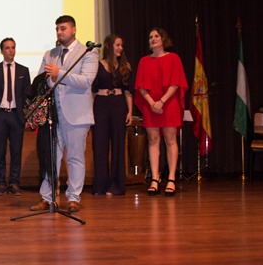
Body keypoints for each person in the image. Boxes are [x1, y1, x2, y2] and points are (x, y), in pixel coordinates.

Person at [30, 15, 98, 213]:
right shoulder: (50, 54)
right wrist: (49, 78)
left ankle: (73, 198)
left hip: (77, 114)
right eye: (57, 29)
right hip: (53, 115)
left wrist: (58, 73)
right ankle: (47, 197)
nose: (59, 32)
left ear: (74, 29)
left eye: (63, 28)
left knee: (75, 157)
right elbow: (42, 80)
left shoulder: (88, 52)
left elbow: (86, 81)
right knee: (50, 157)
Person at [133, 28, 188, 197]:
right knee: (153, 140)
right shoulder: (144, 61)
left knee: (170, 140)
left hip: (168, 104)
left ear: (163, 39)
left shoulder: (173, 58)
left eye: (156, 36)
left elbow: (176, 83)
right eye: (150, 37)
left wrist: (161, 102)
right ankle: (155, 178)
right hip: (151, 105)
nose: (153, 39)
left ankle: (171, 178)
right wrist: (152, 103)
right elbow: (141, 87)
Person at [0, 38, 31, 195]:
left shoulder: (23, 70)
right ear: (1, 51)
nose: (11, 50)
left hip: (17, 116)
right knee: (0, 151)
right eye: (7, 48)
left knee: (16, 152)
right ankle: (1, 183)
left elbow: (28, 96)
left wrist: (28, 116)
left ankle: (14, 183)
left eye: (13, 47)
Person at [91, 34, 134, 196]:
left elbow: (128, 92)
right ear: (109, 46)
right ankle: (100, 185)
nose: (120, 48)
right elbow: (92, 93)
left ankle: (116, 185)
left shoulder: (125, 67)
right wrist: (90, 112)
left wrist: (130, 112)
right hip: (101, 105)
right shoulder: (97, 65)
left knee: (118, 145)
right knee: (99, 145)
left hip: (119, 105)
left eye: (121, 45)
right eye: (117, 45)